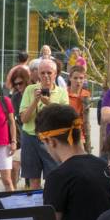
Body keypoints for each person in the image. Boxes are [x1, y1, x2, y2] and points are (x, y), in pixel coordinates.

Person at [18, 59, 69, 188]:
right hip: (30, 137)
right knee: (33, 180)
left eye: (49, 73)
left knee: (53, 177)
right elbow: (24, 119)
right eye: (42, 73)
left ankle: (50, 201)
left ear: (55, 74)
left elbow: (64, 119)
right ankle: (36, 201)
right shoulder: (30, 90)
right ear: (38, 74)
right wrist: (35, 101)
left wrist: (48, 103)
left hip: (51, 139)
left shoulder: (62, 92)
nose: (46, 76)